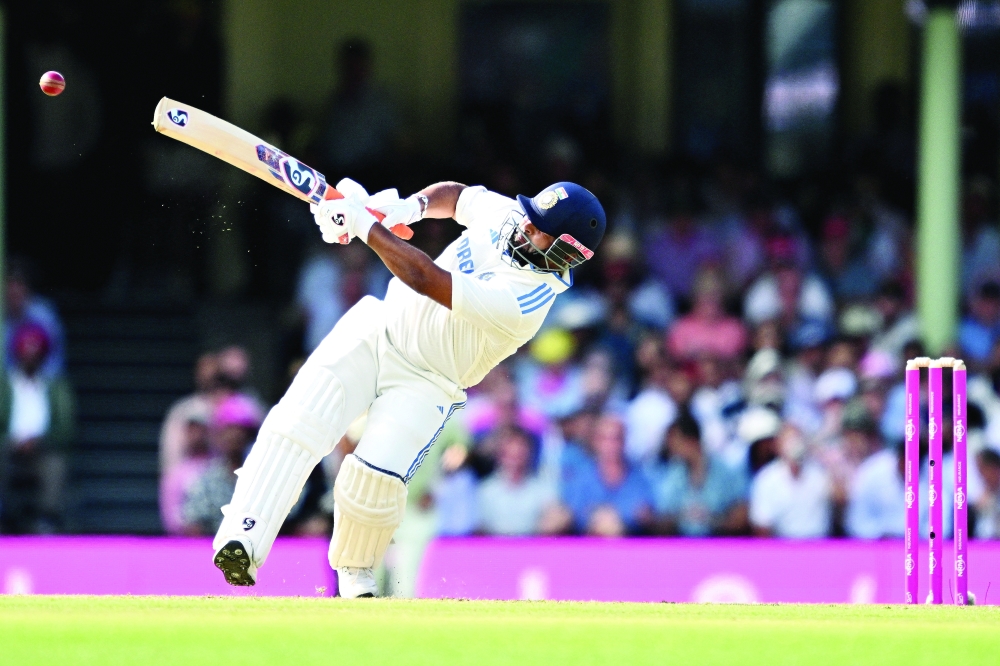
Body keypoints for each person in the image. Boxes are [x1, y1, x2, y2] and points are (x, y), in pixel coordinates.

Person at [210, 178, 606, 597]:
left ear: (564, 250)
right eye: (529, 218)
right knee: (299, 421)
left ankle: (356, 579)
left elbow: (424, 277)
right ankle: (243, 536)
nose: (523, 227)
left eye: (537, 229)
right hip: (379, 329)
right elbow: (457, 196)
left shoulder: (526, 301)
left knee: (373, 481)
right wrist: (407, 208)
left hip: (429, 380)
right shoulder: (510, 216)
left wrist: (365, 227)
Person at [0, 323, 75, 533]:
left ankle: (46, 521)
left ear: (44, 356)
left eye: (36, 353)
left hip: (43, 449)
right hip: (8, 448)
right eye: (26, 352)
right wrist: (13, 440)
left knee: (56, 463)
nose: (31, 358)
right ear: (17, 354)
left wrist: (39, 441)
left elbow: (65, 428)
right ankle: (5, 518)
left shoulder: (56, 388)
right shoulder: (4, 387)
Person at [476, 427, 558, 535]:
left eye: (520, 453)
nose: (515, 458)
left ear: (529, 454)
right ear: (500, 455)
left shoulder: (542, 489)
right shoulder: (485, 490)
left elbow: (556, 517)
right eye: (510, 454)